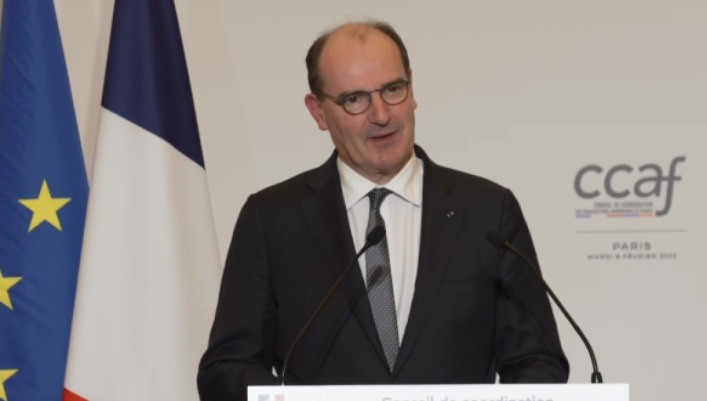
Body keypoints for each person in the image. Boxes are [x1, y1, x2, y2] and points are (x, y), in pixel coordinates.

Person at [197, 20, 569, 400]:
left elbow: (538, 363)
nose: (381, 115)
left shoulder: (488, 211)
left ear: (412, 87)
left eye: (392, 89)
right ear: (318, 111)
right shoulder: (272, 219)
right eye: (354, 99)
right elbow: (227, 369)